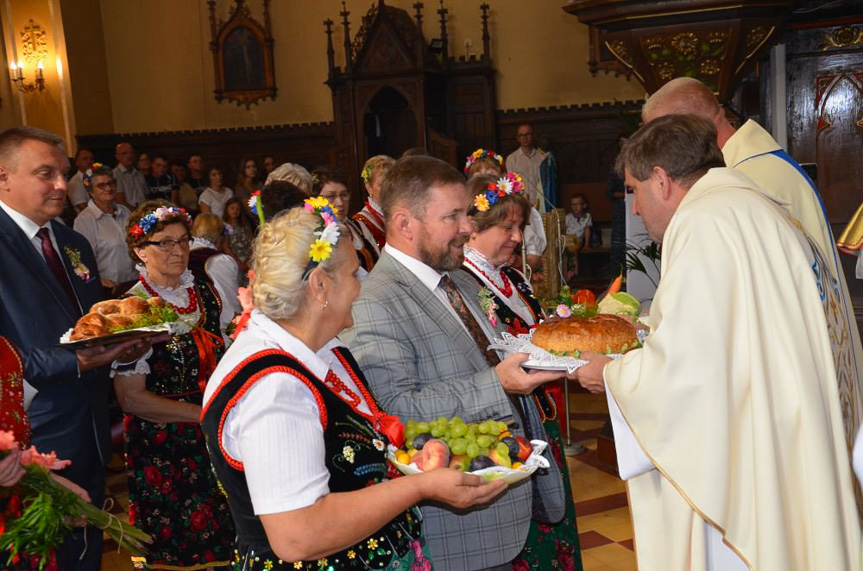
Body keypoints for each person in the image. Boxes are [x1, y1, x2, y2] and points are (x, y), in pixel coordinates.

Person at [574, 114, 861, 570]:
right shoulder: (752, 204)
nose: (635, 209)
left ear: (662, 181)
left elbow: (689, 373)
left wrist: (609, 374)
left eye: (634, 191)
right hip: (779, 423)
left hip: (744, 454)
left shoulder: (703, 223)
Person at [202, 202, 508, 570]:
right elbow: (298, 535)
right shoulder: (274, 387)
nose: (362, 283)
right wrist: (419, 488)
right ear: (319, 286)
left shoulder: (321, 347)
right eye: (353, 272)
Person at [341, 155, 567, 570]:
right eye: (453, 216)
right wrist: (497, 383)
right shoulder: (375, 302)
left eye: (466, 214)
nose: (467, 227)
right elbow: (395, 409)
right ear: (405, 223)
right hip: (459, 527)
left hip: (504, 493)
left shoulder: (459, 278)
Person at [642, 77, 863, 452]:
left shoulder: (742, 181)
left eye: (657, 137)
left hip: (785, 387)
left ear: (687, 128)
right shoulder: (756, 169)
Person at [0, 127, 148, 570]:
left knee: (84, 554)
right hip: (28, 440)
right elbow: (6, 358)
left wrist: (121, 344)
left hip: (90, 427)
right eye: (46, 174)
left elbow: (89, 328)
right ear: (3, 177)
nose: (63, 185)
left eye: (64, 174)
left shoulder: (70, 242)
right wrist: (81, 359)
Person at [462, 173, 583, 570]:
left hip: (539, 419)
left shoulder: (512, 277)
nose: (517, 237)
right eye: (506, 227)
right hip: (507, 423)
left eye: (520, 226)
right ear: (475, 226)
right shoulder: (462, 283)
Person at [115, 200, 235, 569]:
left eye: (183, 241)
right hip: (165, 444)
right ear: (139, 250)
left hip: (217, 428)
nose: (178, 250)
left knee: (229, 538)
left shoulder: (206, 291)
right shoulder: (132, 309)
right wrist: (204, 414)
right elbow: (131, 399)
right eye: (164, 243)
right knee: (179, 548)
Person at [466, 148, 546, 272]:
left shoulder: (517, 210)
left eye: (491, 174)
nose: (486, 181)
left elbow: (534, 259)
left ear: (503, 177)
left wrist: (516, 261)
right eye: (478, 176)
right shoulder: (462, 210)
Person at [73, 165, 137, 296]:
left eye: (110, 183)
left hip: (134, 284)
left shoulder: (124, 212)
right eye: (101, 186)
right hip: (108, 290)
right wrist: (96, 281)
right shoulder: (85, 220)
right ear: (91, 192)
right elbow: (77, 261)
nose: (108, 188)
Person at [312, 164, 377, 271]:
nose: (340, 203)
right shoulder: (316, 234)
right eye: (331, 196)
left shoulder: (358, 226)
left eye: (344, 194)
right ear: (316, 199)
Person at [189, 212, 243, 318]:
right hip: (217, 319)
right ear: (220, 237)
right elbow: (230, 297)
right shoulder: (221, 260)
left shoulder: (182, 254)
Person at [351, 155, 393, 260]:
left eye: (393, 183)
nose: (389, 189)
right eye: (382, 184)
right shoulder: (361, 223)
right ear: (369, 188)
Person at [505, 123, 546, 209]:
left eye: (528, 134)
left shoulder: (542, 157)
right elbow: (511, 185)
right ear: (518, 139)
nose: (525, 137)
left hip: (540, 203)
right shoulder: (512, 159)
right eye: (521, 135)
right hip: (521, 204)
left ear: (533, 136)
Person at [223, 196, 254, 272]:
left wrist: (252, 257)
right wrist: (239, 263)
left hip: (250, 257)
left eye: (238, 209)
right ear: (227, 209)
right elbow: (226, 247)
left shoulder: (245, 224)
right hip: (236, 258)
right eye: (232, 208)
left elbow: (252, 240)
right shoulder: (226, 226)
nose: (235, 211)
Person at [114, 142, 149, 208]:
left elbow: (146, 196)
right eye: (124, 153)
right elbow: (120, 201)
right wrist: (136, 213)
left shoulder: (139, 174)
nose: (129, 156)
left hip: (143, 212)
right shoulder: (115, 175)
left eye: (131, 153)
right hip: (127, 214)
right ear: (117, 156)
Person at [67, 148, 94, 213]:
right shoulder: (75, 182)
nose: (89, 161)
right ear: (77, 162)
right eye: (85, 159)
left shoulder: (95, 178)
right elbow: (84, 208)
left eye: (91, 159)